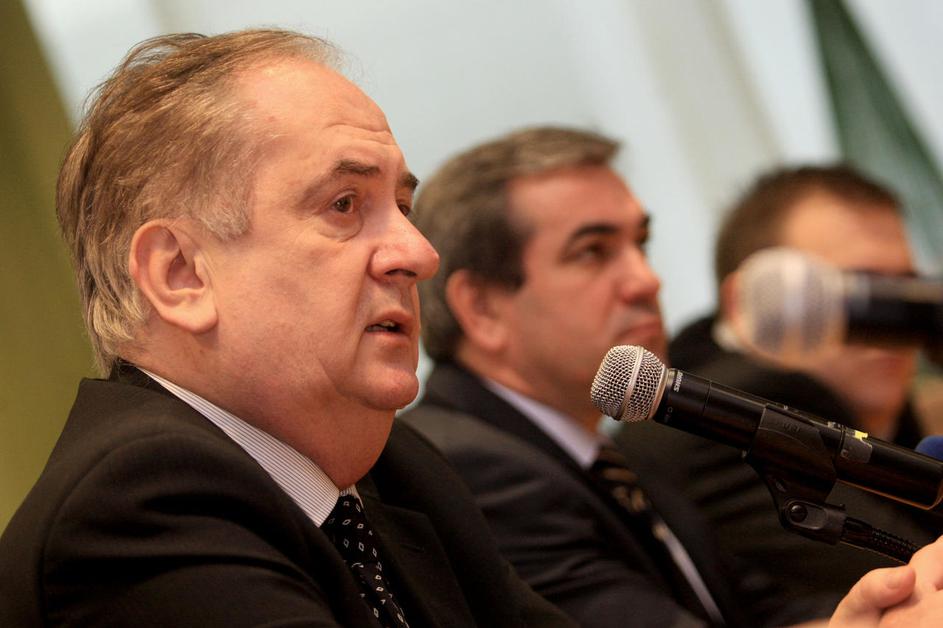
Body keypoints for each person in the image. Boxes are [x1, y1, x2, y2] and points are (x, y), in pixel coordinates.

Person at [0, 30, 576, 627]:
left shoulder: (399, 471)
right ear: (181, 276)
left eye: (402, 208)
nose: (419, 254)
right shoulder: (138, 506)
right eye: (344, 204)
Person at [403, 126, 845, 627]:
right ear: (481, 308)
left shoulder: (600, 452)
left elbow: (765, 612)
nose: (646, 281)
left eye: (641, 244)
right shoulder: (469, 468)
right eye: (593, 251)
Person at [616, 165, 937, 601]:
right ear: (751, 304)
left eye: (906, 290)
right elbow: (917, 587)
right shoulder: (711, 425)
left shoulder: (878, 406)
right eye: (860, 292)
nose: (894, 321)